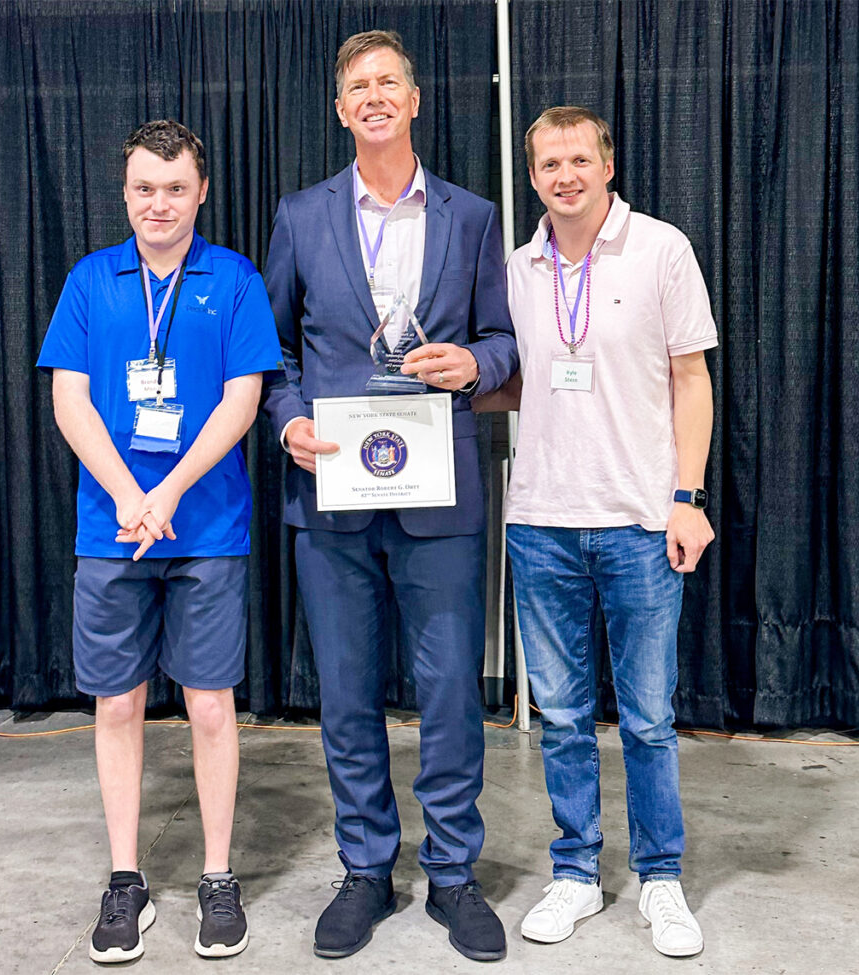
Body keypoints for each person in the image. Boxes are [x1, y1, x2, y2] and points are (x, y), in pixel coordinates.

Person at [262, 30, 518, 964]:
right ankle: (366, 868)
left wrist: (474, 363)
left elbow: (506, 340)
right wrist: (288, 422)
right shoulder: (300, 215)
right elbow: (272, 353)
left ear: (414, 100)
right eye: (357, 86)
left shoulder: (473, 217)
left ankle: (452, 873)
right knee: (346, 693)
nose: (373, 96)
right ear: (341, 110)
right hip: (332, 492)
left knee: (450, 691)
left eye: (388, 83)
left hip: (439, 492)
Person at [37, 120, 282, 963]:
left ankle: (217, 875)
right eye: (145, 188)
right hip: (113, 529)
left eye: (175, 188)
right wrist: (128, 494)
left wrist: (169, 490)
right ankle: (125, 878)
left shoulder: (236, 279)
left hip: (207, 527)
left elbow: (243, 401)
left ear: (201, 192)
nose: (159, 204)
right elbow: (70, 400)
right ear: (125, 192)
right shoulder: (89, 280)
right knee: (117, 702)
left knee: (210, 703)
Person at [501, 106, 716, 957]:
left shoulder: (661, 248)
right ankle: (577, 872)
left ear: (608, 165)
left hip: (638, 522)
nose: (566, 176)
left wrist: (687, 497)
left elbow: (690, 378)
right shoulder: (518, 267)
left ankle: (660, 876)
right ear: (533, 177)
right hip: (541, 522)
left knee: (649, 718)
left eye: (579, 160)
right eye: (549, 164)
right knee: (560, 715)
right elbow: (520, 379)